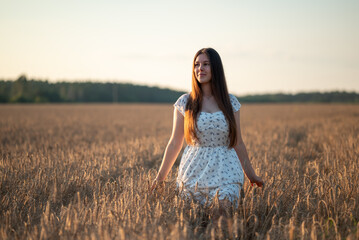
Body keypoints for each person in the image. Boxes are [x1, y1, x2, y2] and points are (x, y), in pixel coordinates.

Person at [149, 48, 264, 213]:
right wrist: (159, 179)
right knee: (193, 221)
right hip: (194, 171)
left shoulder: (231, 103)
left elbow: (238, 142)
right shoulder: (185, 102)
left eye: (206, 64)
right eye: (196, 64)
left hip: (227, 169)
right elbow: (174, 143)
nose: (200, 68)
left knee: (223, 213)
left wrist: (251, 175)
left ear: (216, 68)